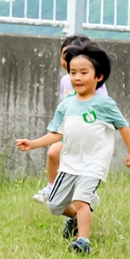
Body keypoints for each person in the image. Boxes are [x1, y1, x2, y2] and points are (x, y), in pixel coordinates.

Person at [15, 42, 130, 255]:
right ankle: (73, 218)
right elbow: (57, 133)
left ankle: (83, 241)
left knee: (81, 200)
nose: (77, 78)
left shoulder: (104, 103)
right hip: (69, 163)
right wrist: (33, 143)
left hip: (93, 164)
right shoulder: (66, 105)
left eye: (83, 72)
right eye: (73, 73)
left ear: (98, 76)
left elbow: (123, 126)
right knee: (54, 205)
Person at [34, 34, 95, 204]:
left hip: (86, 132)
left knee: (79, 168)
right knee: (54, 153)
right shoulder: (65, 80)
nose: (67, 61)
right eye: (64, 56)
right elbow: (64, 105)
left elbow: (101, 106)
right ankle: (52, 187)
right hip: (67, 128)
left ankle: (86, 194)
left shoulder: (95, 81)